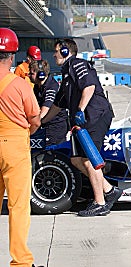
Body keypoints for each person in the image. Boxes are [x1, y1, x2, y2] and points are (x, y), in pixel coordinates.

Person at [42, 38, 122, 217]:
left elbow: (90, 86)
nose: (54, 55)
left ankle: (100, 203)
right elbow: (58, 104)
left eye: (56, 51)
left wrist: (80, 110)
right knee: (76, 159)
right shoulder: (66, 72)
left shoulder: (77, 64)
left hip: (94, 115)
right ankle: (110, 191)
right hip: (82, 121)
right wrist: (42, 121)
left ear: (65, 51)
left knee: (89, 159)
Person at [0, 28, 42, 267]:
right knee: (17, 205)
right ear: (13, 56)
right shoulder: (20, 84)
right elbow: (35, 119)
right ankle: (20, 262)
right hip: (14, 144)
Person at [28, 59, 68, 145]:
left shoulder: (51, 87)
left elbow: (45, 110)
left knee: (49, 154)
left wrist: (33, 123)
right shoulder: (37, 86)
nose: (28, 75)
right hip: (45, 125)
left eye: (31, 73)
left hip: (55, 127)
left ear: (41, 75)